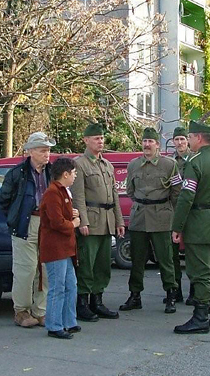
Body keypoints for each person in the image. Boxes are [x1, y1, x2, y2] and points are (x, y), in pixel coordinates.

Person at [172, 120, 210, 334]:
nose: (188, 140)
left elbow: (186, 197)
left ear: (198, 138)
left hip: (199, 224)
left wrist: (177, 226)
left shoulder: (194, 163)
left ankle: (200, 317)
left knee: (200, 272)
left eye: (189, 137)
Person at [120, 127, 181, 314]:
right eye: (144, 141)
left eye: (150, 142)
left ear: (157, 145)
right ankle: (135, 295)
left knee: (165, 258)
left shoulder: (169, 164)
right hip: (139, 215)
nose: (147, 145)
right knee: (137, 258)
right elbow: (130, 190)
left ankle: (171, 294)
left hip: (161, 216)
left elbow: (177, 192)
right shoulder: (133, 165)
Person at [0, 132, 55, 327]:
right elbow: (3, 200)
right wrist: (15, 218)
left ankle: (41, 311)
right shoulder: (17, 173)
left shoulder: (52, 172)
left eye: (48, 150)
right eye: (43, 150)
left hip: (47, 224)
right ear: (30, 152)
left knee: (45, 269)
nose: (47, 154)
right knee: (26, 269)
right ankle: (21, 311)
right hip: (25, 224)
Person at [70, 123, 125, 322]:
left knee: (103, 264)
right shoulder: (79, 164)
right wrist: (82, 221)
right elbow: (78, 196)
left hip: (107, 220)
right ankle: (82, 303)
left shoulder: (107, 165)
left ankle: (97, 301)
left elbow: (115, 196)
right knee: (87, 263)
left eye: (102, 138)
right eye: (96, 138)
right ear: (85, 140)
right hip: (91, 222)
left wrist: (119, 220)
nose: (100, 141)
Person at [39, 157, 81, 340]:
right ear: (65, 174)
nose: (75, 176)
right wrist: (74, 223)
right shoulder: (52, 193)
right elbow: (56, 222)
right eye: (73, 173)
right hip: (55, 248)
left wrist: (73, 213)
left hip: (66, 247)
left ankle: (69, 321)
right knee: (57, 286)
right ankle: (54, 325)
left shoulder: (64, 192)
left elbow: (63, 212)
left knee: (71, 285)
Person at [170, 126, 190, 304]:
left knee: (193, 253)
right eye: (177, 140)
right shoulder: (170, 162)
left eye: (183, 139)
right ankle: (176, 291)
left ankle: (195, 291)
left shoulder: (195, 159)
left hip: (192, 211)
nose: (180, 143)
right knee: (173, 254)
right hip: (174, 211)